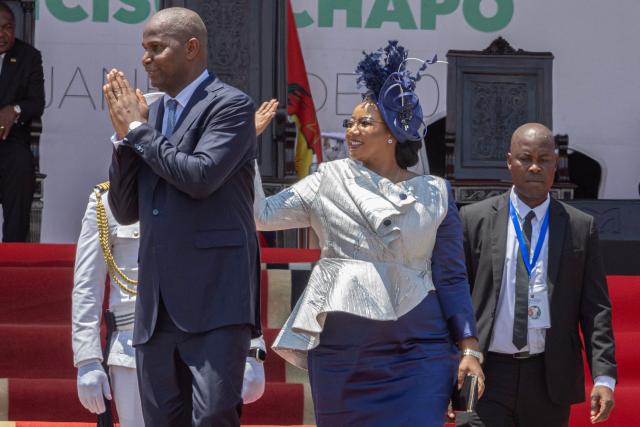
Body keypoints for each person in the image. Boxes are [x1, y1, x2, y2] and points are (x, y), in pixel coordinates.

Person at [253, 41, 483, 427]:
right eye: (350, 123)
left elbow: (451, 277)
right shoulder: (328, 179)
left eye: (364, 123)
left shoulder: (435, 193)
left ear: (394, 131)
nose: (352, 130)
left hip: (420, 354)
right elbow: (260, 216)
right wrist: (243, 149)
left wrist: (469, 347)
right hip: (343, 356)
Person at [71, 96, 278, 426]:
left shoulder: (210, 198)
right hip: (131, 348)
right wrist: (87, 359)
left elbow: (237, 272)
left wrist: (253, 348)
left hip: (206, 339)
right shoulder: (106, 203)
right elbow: (87, 288)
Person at [103, 7, 260, 427]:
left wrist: (137, 132)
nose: (145, 59)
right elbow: (125, 208)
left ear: (191, 48)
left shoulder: (230, 105)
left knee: (212, 418)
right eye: (143, 49)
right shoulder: (150, 115)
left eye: (157, 48)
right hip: (156, 307)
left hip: (216, 301)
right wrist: (124, 142)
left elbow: (200, 176)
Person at [457, 123, 617, 426]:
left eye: (544, 160)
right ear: (509, 161)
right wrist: (448, 369)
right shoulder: (473, 219)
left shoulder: (579, 227)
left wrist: (604, 377)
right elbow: (454, 297)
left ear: (555, 165)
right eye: (525, 158)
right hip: (484, 372)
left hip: (549, 376)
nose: (534, 167)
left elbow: (596, 308)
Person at [0, 1, 45, 242]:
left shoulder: (28, 57)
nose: (2, 34)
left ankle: (11, 252)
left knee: (21, 165)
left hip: (10, 142)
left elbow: (36, 103)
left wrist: (14, 109)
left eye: (8, 27)